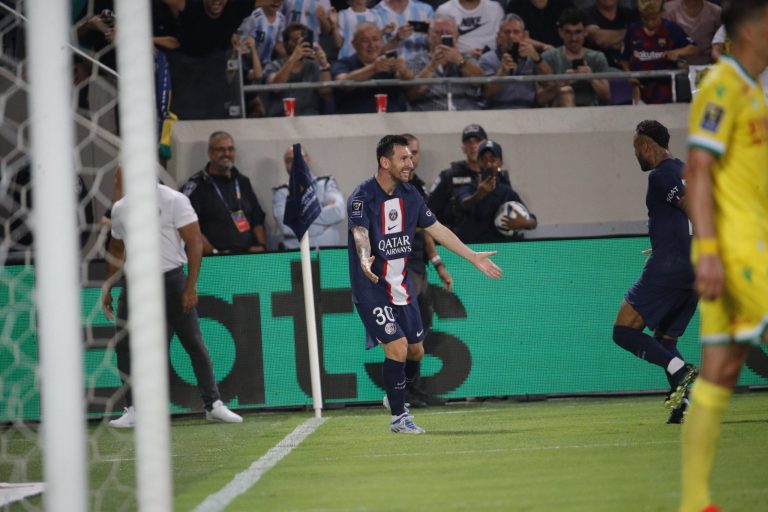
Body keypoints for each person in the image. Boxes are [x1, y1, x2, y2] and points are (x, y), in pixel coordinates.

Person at [348, 134, 502, 434]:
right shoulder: (362, 196)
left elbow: (437, 228)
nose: (410, 163)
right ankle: (399, 417)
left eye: (411, 157)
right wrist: (365, 258)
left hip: (401, 287)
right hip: (372, 288)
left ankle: (393, 393)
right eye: (403, 158)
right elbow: (359, 232)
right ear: (385, 161)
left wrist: (471, 257)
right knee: (398, 348)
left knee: (416, 351)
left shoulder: (411, 194)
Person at [680, 2, 768, 510]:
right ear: (753, 30)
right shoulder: (723, 84)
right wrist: (709, 250)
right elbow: (698, 168)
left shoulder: (752, 87)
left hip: (744, 245)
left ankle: (695, 502)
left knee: (721, 370)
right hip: (739, 252)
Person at [101, 172, 243, 428]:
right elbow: (116, 249)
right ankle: (134, 409)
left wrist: (190, 285)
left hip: (171, 281)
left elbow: (194, 243)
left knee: (192, 342)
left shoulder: (174, 200)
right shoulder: (121, 208)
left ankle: (213, 405)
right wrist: (108, 286)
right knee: (125, 345)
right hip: (135, 285)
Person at [612, 120, 698, 425]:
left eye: (636, 148)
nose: (636, 155)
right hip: (694, 270)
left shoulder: (662, 175)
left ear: (647, 146)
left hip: (670, 269)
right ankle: (684, 403)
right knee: (664, 340)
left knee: (623, 331)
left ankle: (681, 370)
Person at [401, 133, 452, 407]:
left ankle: (414, 389)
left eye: (416, 153)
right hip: (401, 268)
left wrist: (438, 264)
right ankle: (403, 392)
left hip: (420, 268)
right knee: (405, 334)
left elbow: (427, 231)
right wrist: (423, 223)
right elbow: (414, 224)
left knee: (419, 330)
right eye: (407, 154)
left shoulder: (416, 187)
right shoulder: (392, 188)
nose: (412, 159)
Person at [181, 131, 267, 255]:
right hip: (214, 260)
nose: (226, 154)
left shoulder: (243, 182)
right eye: (221, 150)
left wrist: (262, 246)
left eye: (230, 149)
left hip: (249, 258)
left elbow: (257, 218)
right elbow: (187, 225)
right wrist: (214, 253)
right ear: (210, 153)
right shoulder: (196, 185)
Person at [427, 123, 512, 230]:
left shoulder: (500, 176)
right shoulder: (450, 175)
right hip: (457, 236)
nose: (473, 146)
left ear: (486, 144)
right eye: (469, 142)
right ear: (463, 148)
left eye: (477, 141)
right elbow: (430, 207)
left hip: (494, 236)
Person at [453, 139, 537, 243]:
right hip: (473, 249)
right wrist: (478, 195)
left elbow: (533, 221)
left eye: (493, 160)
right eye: (483, 160)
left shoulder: (506, 192)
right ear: (478, 162)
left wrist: (525, 222)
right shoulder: (468, 187)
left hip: (502, 248)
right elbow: (464, 203)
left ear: (500, 163)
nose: (488, 164)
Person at [620, 0, 697, 105]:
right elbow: (624, 60)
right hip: (640, 91)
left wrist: (678, 52)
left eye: (654, 18)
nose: (650, 23)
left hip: (666, 90)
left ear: (661, 13)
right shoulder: (633, 30)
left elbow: (694, 48)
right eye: (646, 19)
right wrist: (630, 75)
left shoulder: (671, 29)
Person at [405, 14, 485, 111]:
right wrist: (432, 66)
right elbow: (413, 94)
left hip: (466, 115)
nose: (443, 36)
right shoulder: (415, 60)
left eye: (448, 32)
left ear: (457, 36)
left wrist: (460, 62)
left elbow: (480, 82)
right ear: (429, 35)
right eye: (438, 32)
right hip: (430, 118)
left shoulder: (466, 58)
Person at [331, 22, 414, 113]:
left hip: (392, 120)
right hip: (356, 121)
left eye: (375, 39)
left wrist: (404, 71)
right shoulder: (344, 63)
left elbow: (410, 85)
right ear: (354, 44)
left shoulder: (390, 62)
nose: (372, 45)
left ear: (381, 42)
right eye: (365, 40)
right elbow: (342, 82)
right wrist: (373, 68)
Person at [272, 146, 346, 249]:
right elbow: (286, 227)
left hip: (329, 254)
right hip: (296, 255)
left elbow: (338, 212)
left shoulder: (326, 183)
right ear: (285, 165)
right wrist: (323, 225)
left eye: (299, 158)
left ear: (308, 158)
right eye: (290, 160)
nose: (295, 163)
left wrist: (298, 217)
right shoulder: (281, 193)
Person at [479, 13, 557, 109]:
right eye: (507, 32)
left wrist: (537, 58)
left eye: (516, 32)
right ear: (499, 36)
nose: (511, 36)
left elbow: (550, 83)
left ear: (524, 36)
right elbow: (487, 93)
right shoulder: (487, 59)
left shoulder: (532, 57)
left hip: (529, 111)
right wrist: (502, 72)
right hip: (498, 111)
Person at [541, 8, 611, 107]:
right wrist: (561, 83)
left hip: (590, 113)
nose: (573, 38)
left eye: (577, 32)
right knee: (566, 92)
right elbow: (539, 99)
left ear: (585, 32)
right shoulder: (548, 58)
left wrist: (591, 78)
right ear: (561, 32)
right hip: (558, 114)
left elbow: (606, 96)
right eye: (568, 32)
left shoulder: (597, 57)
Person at [262, 23, 333, 116]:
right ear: (285, 43)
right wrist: (293, 58)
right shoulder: (273, 66)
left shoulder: (314, 66)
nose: (298, 44)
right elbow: (276, 88)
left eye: (302, 40)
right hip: (280, 120)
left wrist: (324, 65)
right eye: (295, 40)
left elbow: (326, 93)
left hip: (310, 119)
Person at [661, 0, 721, 66]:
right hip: (675, 66)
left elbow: (721, 42)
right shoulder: (668, 10)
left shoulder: (716, 12)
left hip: (708, 66)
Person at [584, 0, 639, 70]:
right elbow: (599, 39)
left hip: (630, 67)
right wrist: (629, 34)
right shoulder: (587, 14)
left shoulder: (630, 14)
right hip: (600, 70)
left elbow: (640, 39)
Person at [435, 0, 504, 56]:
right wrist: (464, 54)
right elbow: (437, 42)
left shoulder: (495, 8)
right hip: (456, 60)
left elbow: (502, 38)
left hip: (491, 60)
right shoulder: (444, 10)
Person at [505, 0, 574, 50]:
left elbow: (575, 32)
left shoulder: (565, 4)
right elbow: (517, 37)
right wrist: (544, 47)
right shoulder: (515, 6)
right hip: (528, 59)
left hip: (563, 57)